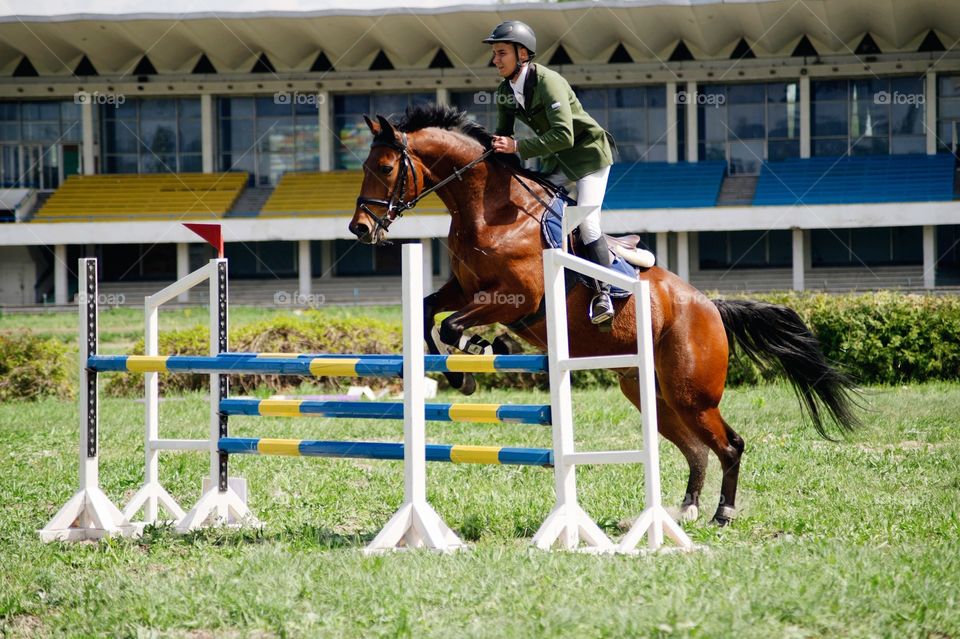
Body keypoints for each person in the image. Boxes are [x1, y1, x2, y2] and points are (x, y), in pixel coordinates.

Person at [484, 20, 616, 324]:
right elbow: (502, 137)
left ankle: (603, 295)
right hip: (557, 162)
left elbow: (564, 136)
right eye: (494, 54)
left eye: (501, 52)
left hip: (588, 157)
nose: (495, 60)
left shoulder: (548, 82)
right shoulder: (505, 91)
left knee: (587, 224)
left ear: (522, 54)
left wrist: (516, 147)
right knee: (535, 213)